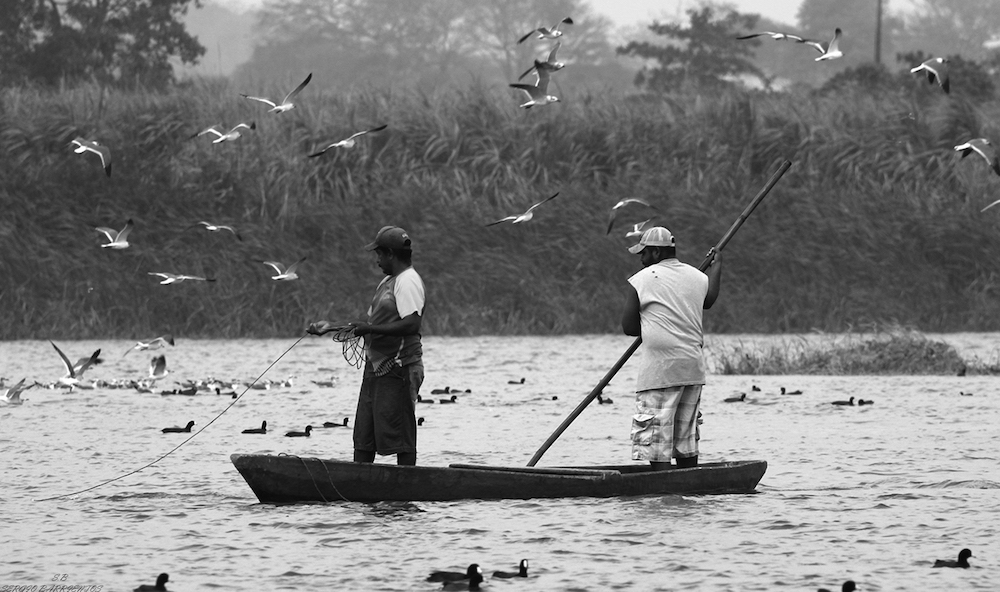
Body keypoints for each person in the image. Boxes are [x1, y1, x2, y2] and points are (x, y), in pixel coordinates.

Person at [308, 225, 425, 466]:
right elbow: (368, 323)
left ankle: (408, 485)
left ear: (391, 254)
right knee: (364, 434)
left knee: (400, 433)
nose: (377, 261)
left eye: (379, 255)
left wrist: (370, 330)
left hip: (400, 367)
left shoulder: (408, 281)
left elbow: (411, 324)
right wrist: (329, 326)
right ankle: (360, 482)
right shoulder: (387, 282)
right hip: (377, 366)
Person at [620, 226, 721, 470]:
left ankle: (662, 494)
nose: (642, 260)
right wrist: (717, 267)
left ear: (655, 252)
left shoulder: (641, 280)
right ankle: (687, 485)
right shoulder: (697, 276)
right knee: (685, 436)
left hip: (660, 372)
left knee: (657, 438)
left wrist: (650, 321)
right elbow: (708, 301)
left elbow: (629, 327)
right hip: (692, 369)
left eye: (643, 254)